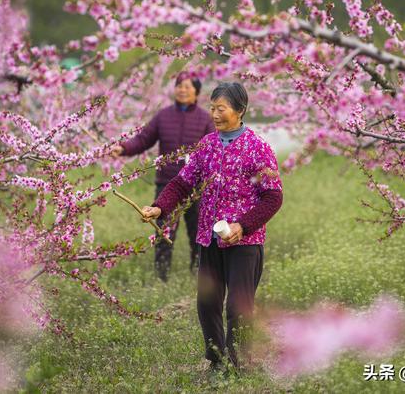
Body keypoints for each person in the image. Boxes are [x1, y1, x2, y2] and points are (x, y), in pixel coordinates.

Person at [140, 82, 283, 369]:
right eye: (213, 108)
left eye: (222, 109)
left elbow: (273, 197)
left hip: (244, 242)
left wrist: (242, 226)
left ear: (240, 110)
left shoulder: (258, 148)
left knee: (237, 308)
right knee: (207, 304)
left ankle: (238, 363)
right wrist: (159, 206)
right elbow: (182, 182)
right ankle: (217, 361)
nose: (215, 114)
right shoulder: (207, 145)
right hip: (210, 238)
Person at [112, 73, 215, 281]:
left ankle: (198, 277)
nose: (182, 90)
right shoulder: (163, 116)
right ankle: (161, 278)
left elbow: (214, 150)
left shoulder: (206, 119)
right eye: (179, 86)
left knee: (198, 234)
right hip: (166, 185)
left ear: (196, 92)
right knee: (163, 234)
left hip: (196, 188)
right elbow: (143, 140)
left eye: (187, 86)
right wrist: (122, 148)